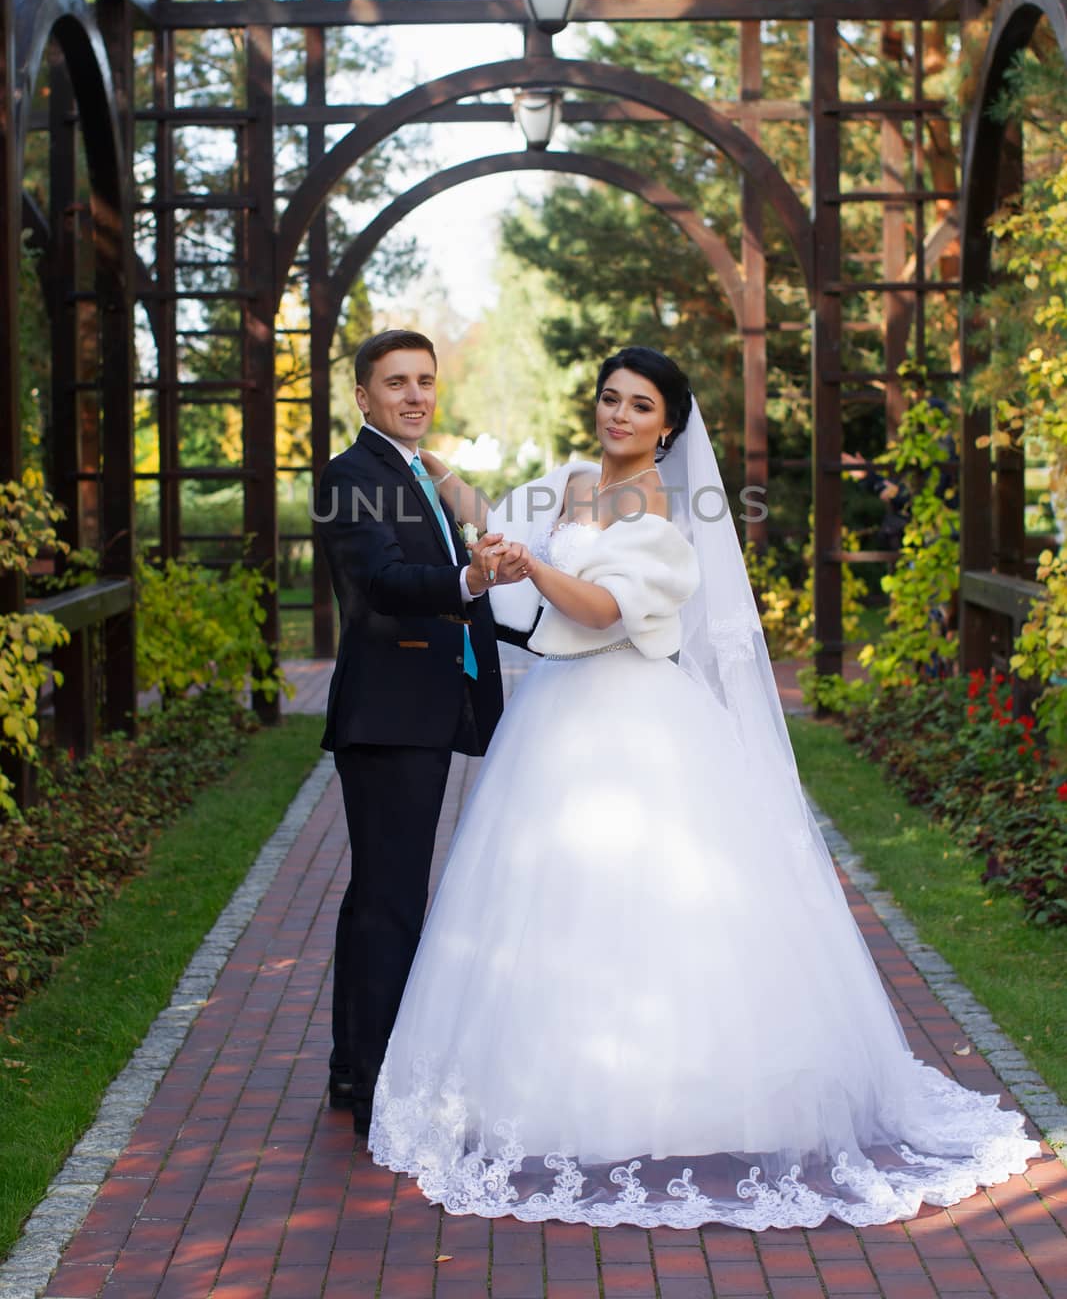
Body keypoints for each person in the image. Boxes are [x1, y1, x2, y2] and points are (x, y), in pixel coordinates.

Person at [366, 345, 1040, 1229]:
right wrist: (440, 475)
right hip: (556, 719)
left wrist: (532, 571)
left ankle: (683, 1095)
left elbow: (604, 612)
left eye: (639, 406)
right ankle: (553, 1080)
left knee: (657, 897)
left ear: (668, 426)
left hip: (636, 716)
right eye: (609, 399)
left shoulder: (661, 513)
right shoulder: (571, 485)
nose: (618, 416)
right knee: (550, 900)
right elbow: (505, 525)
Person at [314, 328, 528, 1136]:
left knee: (384, 895)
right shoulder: (349, 476)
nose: (413, 395)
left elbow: (456, 589)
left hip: (428, 707)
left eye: (424, 381)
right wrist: (472, 575)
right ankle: (375, 1086)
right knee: (391, 901)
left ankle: (353, 1070)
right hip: (387, 715)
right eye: (395, 382)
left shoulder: (416, 474)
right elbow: (377, 585)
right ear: (363, 397)